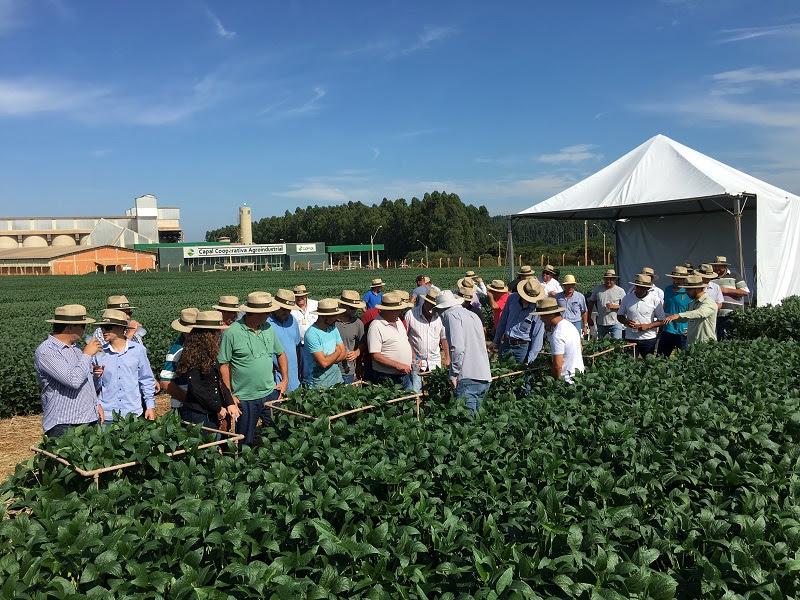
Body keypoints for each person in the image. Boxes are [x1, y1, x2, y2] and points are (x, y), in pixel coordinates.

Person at [218, 292, 288, 446]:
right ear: (255, 313)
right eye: (266, 312)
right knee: (246, 440)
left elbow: (281, 353)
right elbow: (223, 365)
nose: (269, 314)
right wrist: (230, 395)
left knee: (278, 433)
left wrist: (284, 380)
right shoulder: (232, 333)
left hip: (270, 393)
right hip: (245, 397)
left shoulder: (268, 328)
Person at [35, 304, 103, 437]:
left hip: (88, 419)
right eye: (83, 326)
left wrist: (94, 377)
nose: (85, 329)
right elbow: (74, 381)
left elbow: (84, 383)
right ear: (70, 326)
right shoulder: (47, 351)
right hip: (65, 424)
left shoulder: (76, 349)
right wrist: (87, 354)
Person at [176, 311, 241, 428]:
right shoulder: (193, 355)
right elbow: (197, 389)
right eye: (217, 330)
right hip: (198, 413)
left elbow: (219, 381)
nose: (221, 332)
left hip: (209, 410)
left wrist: (230, 403)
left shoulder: (209, 352)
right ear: (208, 334)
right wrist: (217, 408)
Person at [93, 309, 156, 423]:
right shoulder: (99, 353)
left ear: (121, 328)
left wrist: (150, 406)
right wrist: (96, 377)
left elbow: (146, 379)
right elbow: (93, 387)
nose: (103, 331)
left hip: (133, 414)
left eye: (107, 327)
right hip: (107, 416)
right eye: (102, 327)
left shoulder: (138, 350)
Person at [435, 290, 492, 413]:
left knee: (466, 419)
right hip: (484, 375)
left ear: (442, 309)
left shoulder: (451, 316)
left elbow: (457, 348)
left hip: (468, 377)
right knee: (477, 422)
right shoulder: (472, 315)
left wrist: (453, 374)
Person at [405, 287, 450, 391]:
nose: (432, 309)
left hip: (435, 361)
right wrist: (413, 356)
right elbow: (405, 338)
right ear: (425, 301)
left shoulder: (440, 317)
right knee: (415, 391)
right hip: (416, 361)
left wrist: (447, 358)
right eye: (430, 305)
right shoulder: (411, 315)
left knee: (436, 392)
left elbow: (444, 338)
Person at [493, 278, 546, 365]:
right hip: (506, 343)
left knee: (520, 375)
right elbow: (503, 321)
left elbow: (537, 336)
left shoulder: (537, 309)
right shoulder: (512, 298)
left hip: (522, 348)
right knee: (502, 371)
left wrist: (530, 359)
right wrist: (496, 341)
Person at [532, 297, 585, 383]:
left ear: (550, 315)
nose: (541, 319)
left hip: (567, 380)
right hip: (579, 375)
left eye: (542, 316)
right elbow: (580, 348)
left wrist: (554, 381)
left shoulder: (557, 334)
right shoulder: (570, 325)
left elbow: (557, 365)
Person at [367, 291, 413, 387]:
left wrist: (412, 357)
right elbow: (375, 355)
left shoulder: (398, 320)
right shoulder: (376, 325)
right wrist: (398, 365)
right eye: (396, 310)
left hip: (405, 374)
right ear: (386, 310)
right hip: (387, 376)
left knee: (408, 400)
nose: (399, 312)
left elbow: (405, 340)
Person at [159, 307, 198, 412]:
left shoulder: (197, 346)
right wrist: (186, 399)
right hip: (183, 406)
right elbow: (165, 381)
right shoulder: (177, 350)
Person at [662, 274, 718, 347]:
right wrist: (671, 318)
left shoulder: (709, 302)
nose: (686, 291)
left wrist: (678, 315)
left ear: (697, 289)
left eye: (688, 289)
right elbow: (686, 318)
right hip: (692, 344)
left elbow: (700, 313)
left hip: (706, 344)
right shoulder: (692, 303)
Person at [617, 274, 665, 357]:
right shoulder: (627, 298)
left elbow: (662, 320)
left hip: (648, 338)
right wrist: (626, 321)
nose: (639, 289)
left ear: (648, 288)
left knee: (649, 364)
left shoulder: (655, 299)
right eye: (638, 286)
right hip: (630, 337)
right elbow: (619, 316)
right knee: (629, 364)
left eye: (642, 287)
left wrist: (648, 326)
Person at [304, 299, 347, 389]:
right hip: (319, 385)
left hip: (337, 380)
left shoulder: (333, 328)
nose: (336, 318)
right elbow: (324, 363)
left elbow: (344, 354)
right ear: (323, 317)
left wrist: (329, 358)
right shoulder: (311, 334)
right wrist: (337, 352)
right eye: (333, 316)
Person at [267, 290, 302, 393]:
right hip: (275, 381)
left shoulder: (292, 320)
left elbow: (296, 346)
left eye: (288, 309)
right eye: (283, 309)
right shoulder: (266, 323)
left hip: (294, 380)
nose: (286, 312)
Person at [710, 256, 750, 340]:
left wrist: (725, 290)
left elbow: (745, 291)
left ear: (725, 266)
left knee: (732, 338)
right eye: (715, 266)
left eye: (719, 267)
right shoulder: (711, 278)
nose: (717, 269)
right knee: (719, 338)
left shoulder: (734, 275)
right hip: (715, 314)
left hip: (732, 314)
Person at [658, 266, 691, 357]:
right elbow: (665, 306)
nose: (676, 281)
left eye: (679, 279)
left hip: (683, 331)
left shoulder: (689, 292)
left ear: (684, 279)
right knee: (661, 357)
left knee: (685, 359)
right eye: (675, 278)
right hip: (668, 329)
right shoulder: (667, 289)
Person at [336, 290, 366, 384]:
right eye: (352, 308)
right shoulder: (332, 320)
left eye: (356, 308)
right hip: (330, 368)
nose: (355, 310)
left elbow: (363, 343)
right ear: (343, 306)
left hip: (347, 369)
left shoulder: (358, 323)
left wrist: (357, 352)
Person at [587, 269, 625, 339]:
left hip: (615, 322)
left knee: (617, 345)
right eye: (607, 279)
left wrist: (615, 307)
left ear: (615, 280)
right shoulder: (597, 289)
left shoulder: (620, 291)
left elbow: (625, 307)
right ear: (604, 279)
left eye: (611, 279)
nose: (608, 281)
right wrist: (589, 317)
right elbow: (591, 303)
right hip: (601, 323)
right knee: (601, 345)